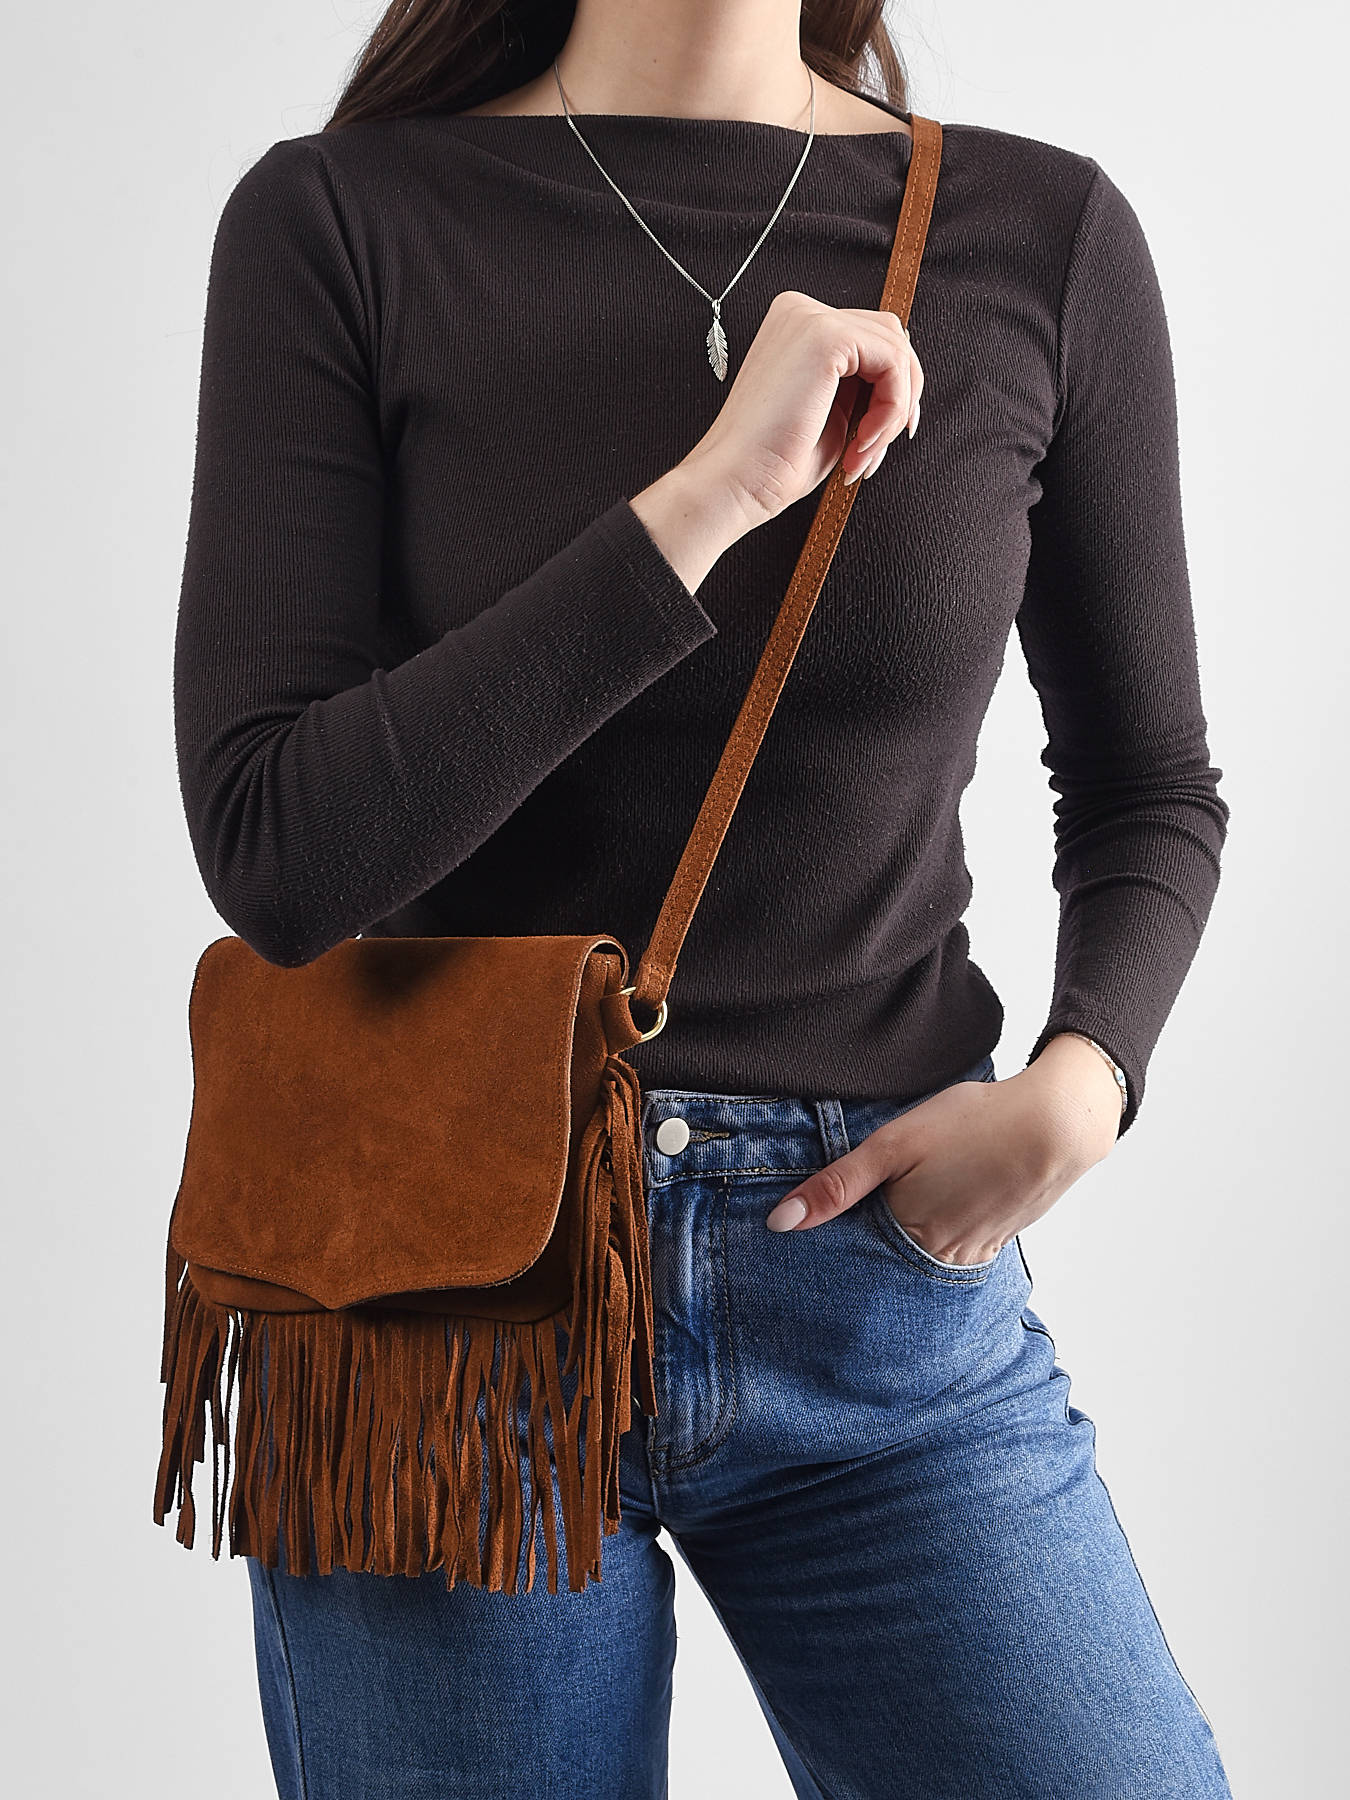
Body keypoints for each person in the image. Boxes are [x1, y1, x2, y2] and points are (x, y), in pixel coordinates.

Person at [171, 2, 1236, 1794]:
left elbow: (1147, 786)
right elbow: (278, 850)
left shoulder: (1032, 235)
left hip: (876, 1283)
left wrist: (1083, 1083)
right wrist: (711, 496)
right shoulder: (341, 222)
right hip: (444, 1299)